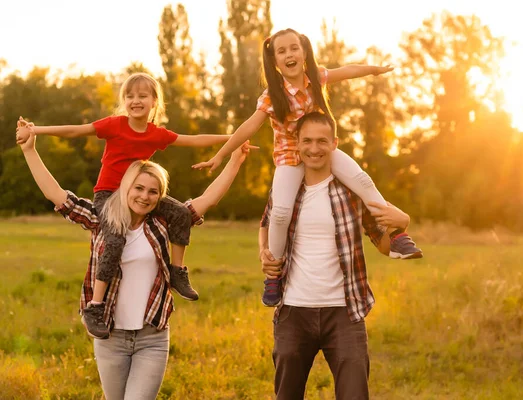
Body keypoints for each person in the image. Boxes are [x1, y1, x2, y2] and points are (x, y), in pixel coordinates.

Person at [193, 28, 422, 307]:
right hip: (290, 156)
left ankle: (397, 235)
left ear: (304, 52)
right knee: (280, 212)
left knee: (362, 180)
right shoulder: (271, 95)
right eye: (282, 51)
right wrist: (220, 155)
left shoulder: (316, 77)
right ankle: (274, 275)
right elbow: (247, 127)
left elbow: (347, 70)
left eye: (294, 48)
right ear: (275, 60)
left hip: (322, 149)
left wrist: (373, 70)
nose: (289, 54)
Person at [17, 127, 252, 399]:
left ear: (160, 196)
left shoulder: (162, 225)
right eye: (138, 188)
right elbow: (57, 195)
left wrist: (234, 161)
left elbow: (207, 200)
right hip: (110, 337)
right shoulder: (101, 219)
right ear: (125, 187)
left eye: (153, 191)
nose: (144, 196)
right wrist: (30, 150)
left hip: (152, 338)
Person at [16, 72, 231, 338]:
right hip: (108, 196)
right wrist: (35, 130)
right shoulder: (114, 125)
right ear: (123, 100)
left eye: (142, 95)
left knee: (180, 214)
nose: (135, 100)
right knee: (114, 241)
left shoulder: (156, 134)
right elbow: (75, 131)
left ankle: (177, 271)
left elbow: (193, 139)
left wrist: (233, 140)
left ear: (154, 101)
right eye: (129, 96)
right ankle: (95, 307)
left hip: (139, 193)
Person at [259, 112, 414, 399]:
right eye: (307, 141)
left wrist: (402, 222)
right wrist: (264, 252)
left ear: (335, 144)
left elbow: (382, 244)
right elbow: (266, 224)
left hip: (345, 313)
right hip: (293, 312)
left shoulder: (351, 191)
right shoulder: (286, 189)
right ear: (297, 143)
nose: (314, 148)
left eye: (321, 141)